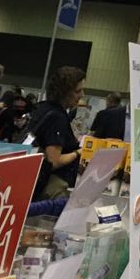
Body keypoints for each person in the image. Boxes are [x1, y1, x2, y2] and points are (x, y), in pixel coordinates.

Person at [31, 66, 85, 200]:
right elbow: (53, 161)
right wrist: (78, 152)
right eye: (78, 91)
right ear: (64, 92)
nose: (82, 95)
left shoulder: (43, 107)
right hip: (50, 188)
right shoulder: (57, 117)